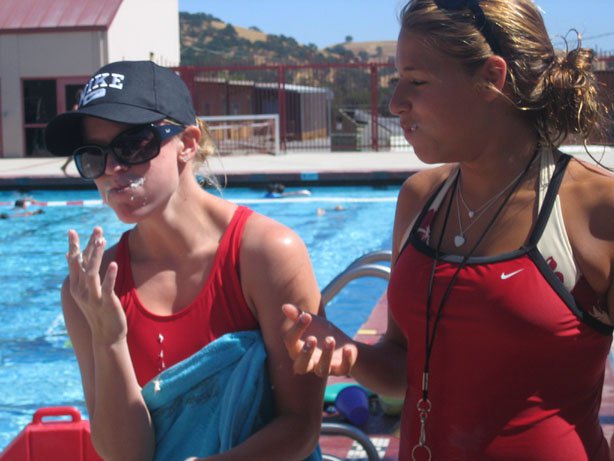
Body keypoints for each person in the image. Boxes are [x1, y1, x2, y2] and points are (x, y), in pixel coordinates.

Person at [282, 1, 614, 460]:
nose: (397, 103)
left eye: (416, 81)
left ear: (491, 78)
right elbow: (404, 365)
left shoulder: (596, 209)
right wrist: (350, 353)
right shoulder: (421, 199)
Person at [44, 60, 324, 461]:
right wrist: (109, 339)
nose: (112, 169)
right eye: (93, 156)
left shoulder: (266, 254)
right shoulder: (89, 292)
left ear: (188, 142)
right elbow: (127, 455)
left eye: (133, 144)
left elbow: (300, 424)